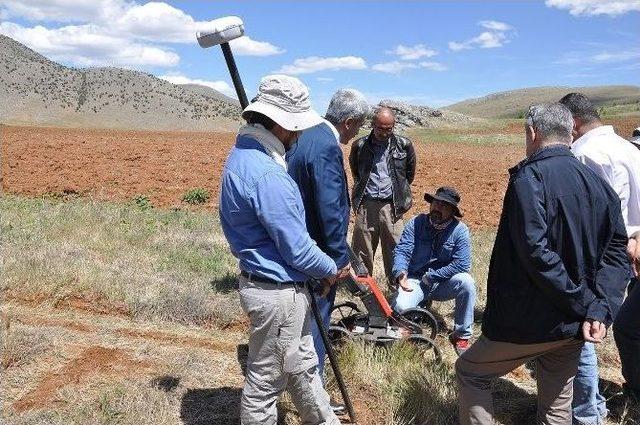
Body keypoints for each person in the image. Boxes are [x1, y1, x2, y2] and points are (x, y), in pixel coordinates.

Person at [456, 103, 629, 425]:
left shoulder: (529, 177)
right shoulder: (598, 183)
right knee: (556, 402)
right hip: (575, 324)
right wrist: (598, 308)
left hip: (529, 319)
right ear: (569, 132)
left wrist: (584, 302)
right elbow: (617, 252)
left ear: (532, 132)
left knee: (471, 371)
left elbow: (536, 252)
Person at [219, 74, 340, 425]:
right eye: (296, 127)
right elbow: (299, 251)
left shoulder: (242, 156)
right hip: (278, 294)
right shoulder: (269, 176)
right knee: (264, 386)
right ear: (280, 124)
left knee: (302, 367)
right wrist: (331, 267)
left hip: (269, 287)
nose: (299, 135)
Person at [286, 88, 369, 413]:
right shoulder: (326, 147)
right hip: (317, 251)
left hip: (297, 244)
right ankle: (315, 399)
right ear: (348, 122)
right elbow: (331, 208)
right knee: (318, 321)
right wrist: (337, 260)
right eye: (359, 126)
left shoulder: (305, 135)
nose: (357, 132)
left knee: (301, 320)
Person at [559, 92, 640, 423]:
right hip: (635, 248)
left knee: (585, 328)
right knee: (629, 327)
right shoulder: (629, 149)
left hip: (607, 254)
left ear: (574, 123)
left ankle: (586, 408)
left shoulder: (584, 153)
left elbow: (596, 215)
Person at [392, 186, 475, 355]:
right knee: (400, 307)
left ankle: (461, 335)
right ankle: (415, 316)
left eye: (444, 205)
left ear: (452, 211)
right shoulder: (416, 222)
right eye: (436, 203)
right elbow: (403, 250)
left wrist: (433, 276)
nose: (438, 208)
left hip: (442, 282)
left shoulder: (460, 231)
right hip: (416, 280)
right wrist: (400, 272)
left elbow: (462, 264)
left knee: (467, 283)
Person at [349, 107, 416, 283]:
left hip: (392, 205)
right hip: (367, 204)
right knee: (362, 249)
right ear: (372, 125)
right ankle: (362, 286)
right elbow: (357, 173)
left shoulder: (404, 145)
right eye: (380, 128)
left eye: (389, 129)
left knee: (396, 247)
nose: (384, 133)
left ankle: (396, 285)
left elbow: (408, 175)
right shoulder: (360, 145)